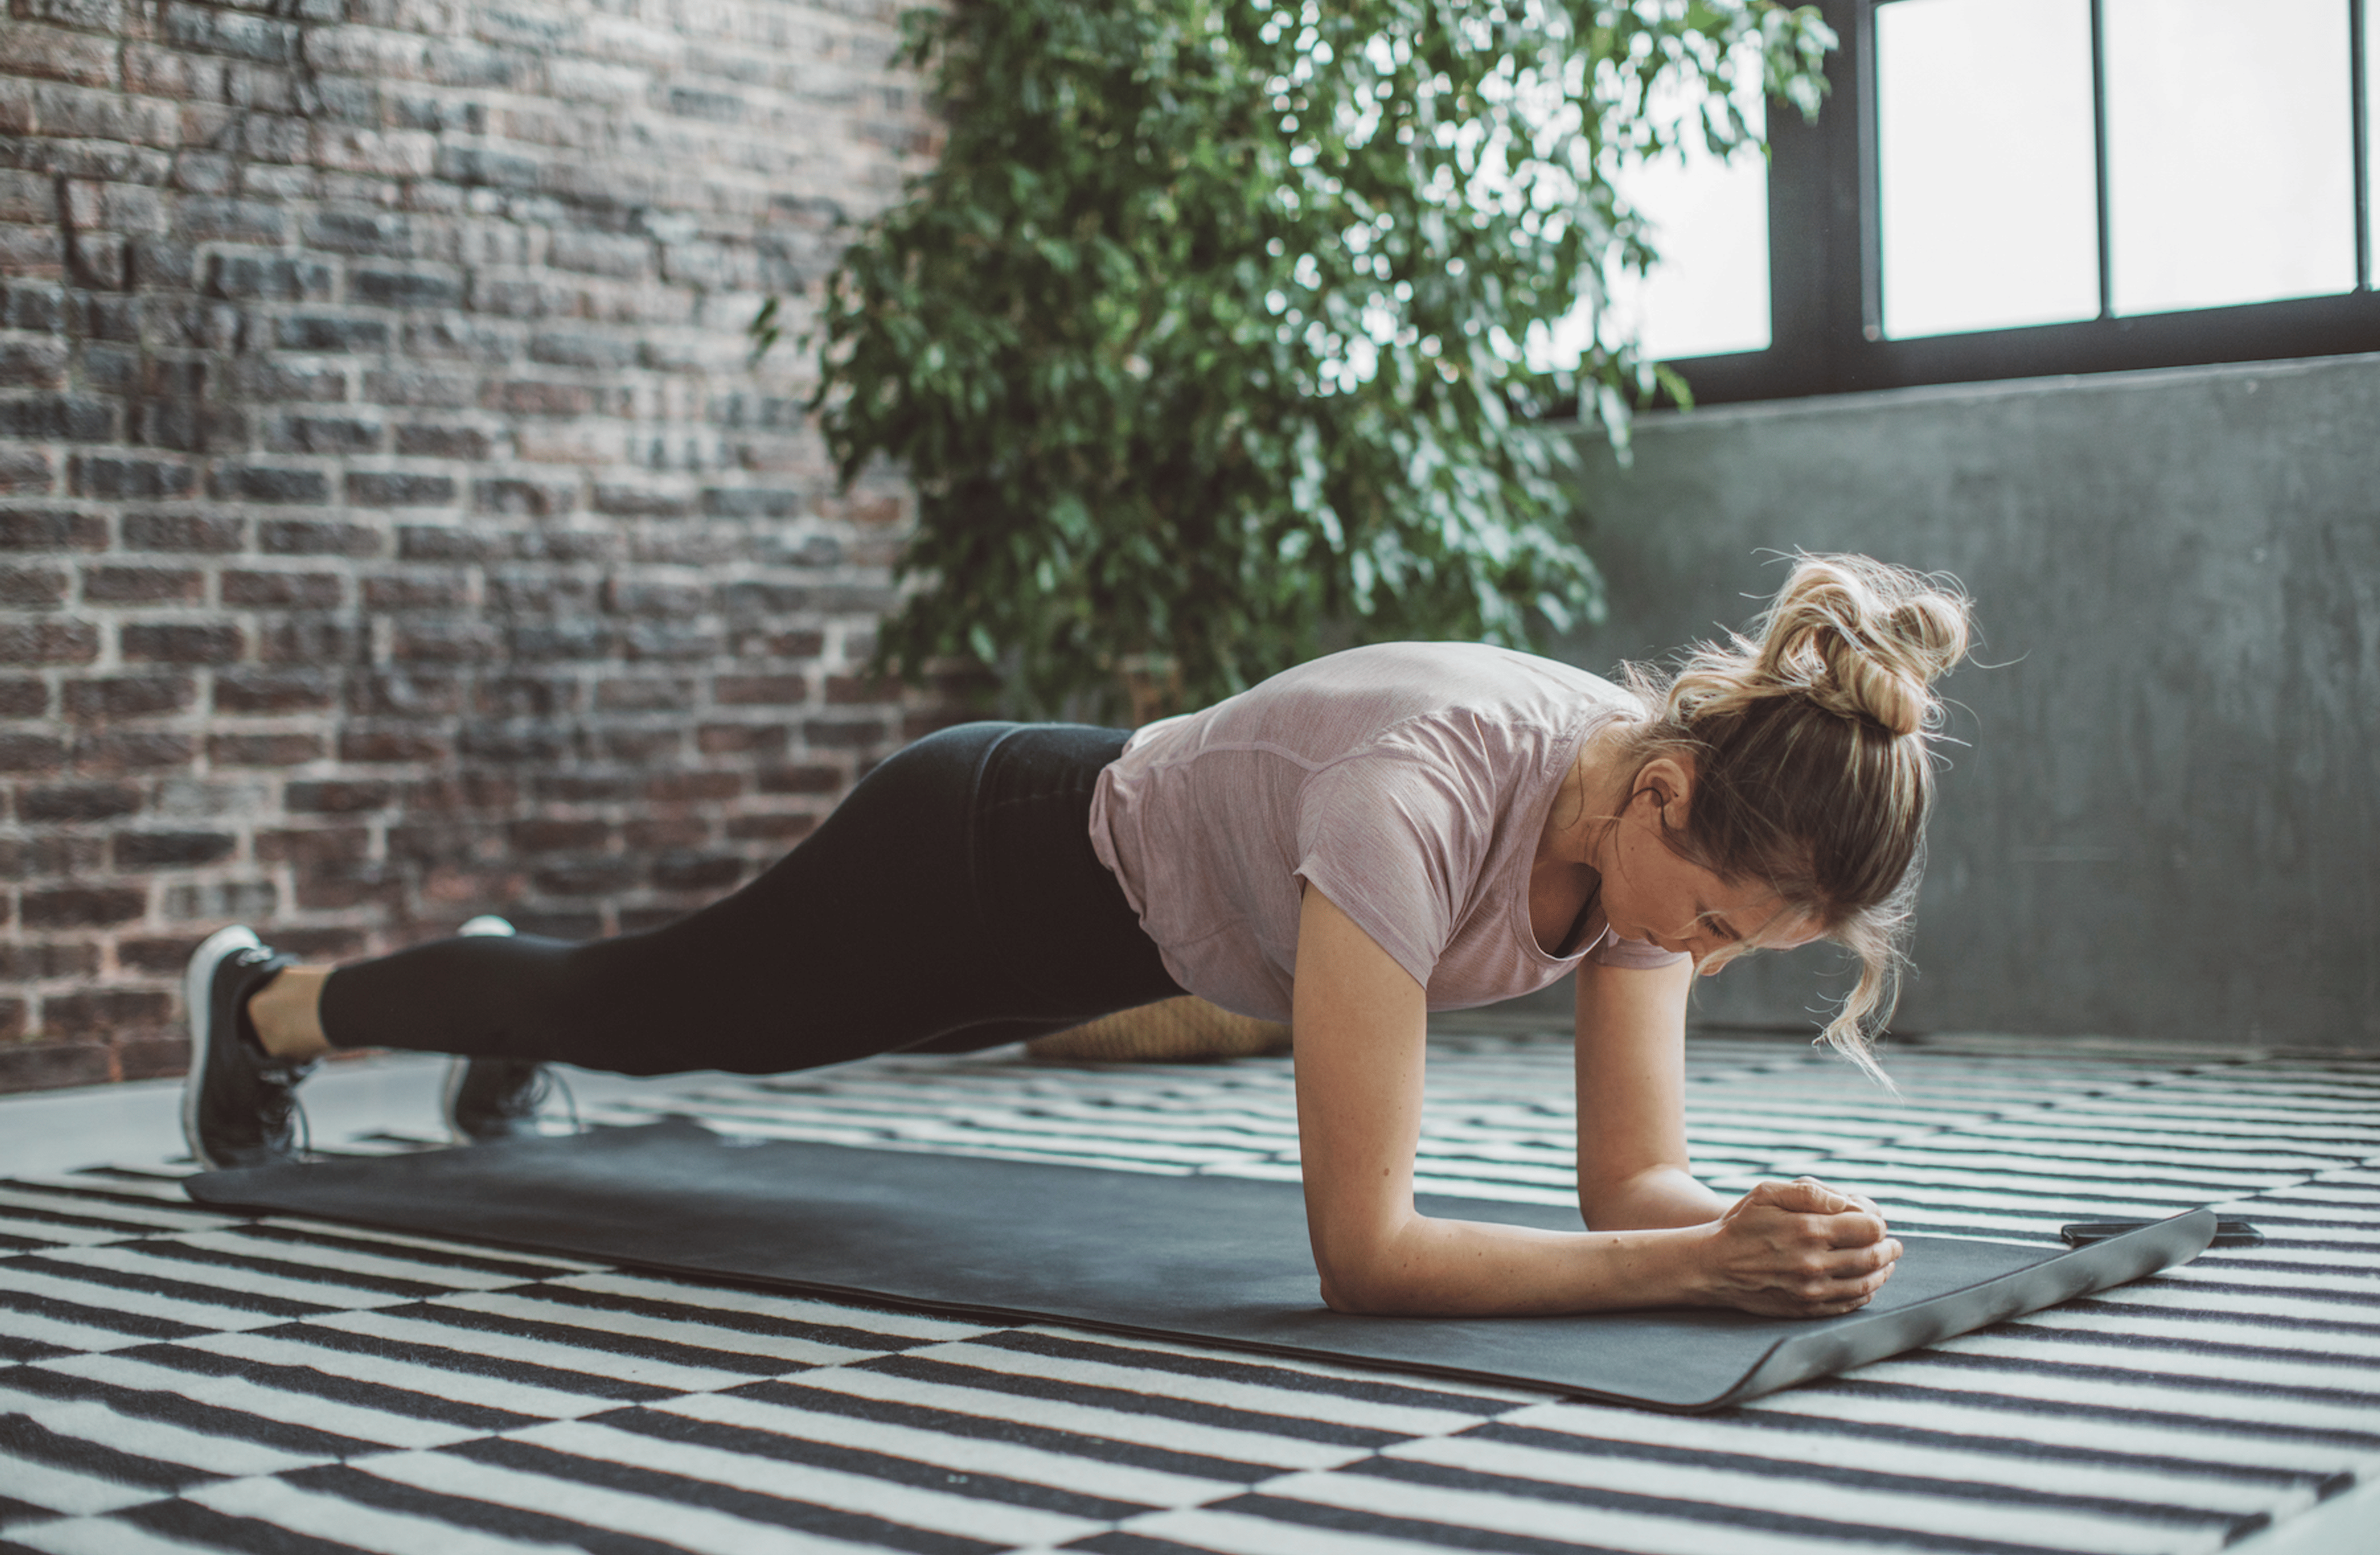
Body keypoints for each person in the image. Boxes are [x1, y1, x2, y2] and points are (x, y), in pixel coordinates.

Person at [182, 552, 1969, 1321]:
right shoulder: (1421, 795)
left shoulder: (1658, 819)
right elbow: (1365, 1255)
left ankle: (519, 996)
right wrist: (1685, 1275)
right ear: (1664, 796)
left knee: (633, 1002)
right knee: (643, 1011)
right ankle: (268, 1007)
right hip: (974, 858)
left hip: (1096, 942)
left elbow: (1630, 1188)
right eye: (1721, 924)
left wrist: (1750, 1229)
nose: (1703, 959)